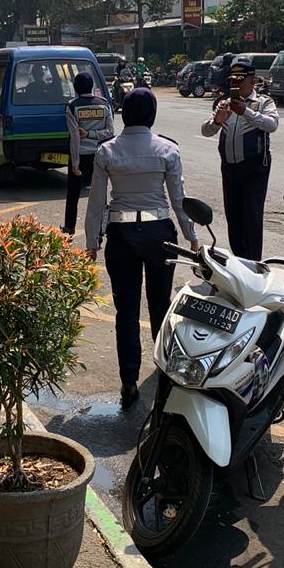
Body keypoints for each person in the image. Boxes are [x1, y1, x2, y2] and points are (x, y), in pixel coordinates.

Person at [85, 88, 200, 409]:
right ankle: (165, 378)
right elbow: (179, 199)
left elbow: (96, 201)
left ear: (124, 114)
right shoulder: (167, 150)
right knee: (161, 305)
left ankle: (128, 381)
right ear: (151, 115)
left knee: (126, 311)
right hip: (159, 235)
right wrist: (191, 234)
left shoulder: (106, 151)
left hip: (121, 236)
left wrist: (92, 240)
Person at [201, 58, 279, 261]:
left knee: (252, 217)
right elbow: (206, 131)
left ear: (252, 81)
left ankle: (252, 263)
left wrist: (246, 111)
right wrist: (218, 120)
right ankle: (239, 259)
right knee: (233, 218)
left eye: (239, 81)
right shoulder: (222, 102)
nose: (234, 85)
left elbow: (272, 125)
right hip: (229, 169)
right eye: (232, 81)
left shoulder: (263, 102)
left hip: (254, 169)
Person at [63, 71, 114, 236]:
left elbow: (75, 138)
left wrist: (76, 163)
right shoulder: (104, 104)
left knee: (73, 194)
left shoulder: (72, 106)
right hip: (100, 155)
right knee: (100, 195)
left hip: (81, 155)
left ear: (76, 87)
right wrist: (94, 135)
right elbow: (110, 133)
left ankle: (69, 227)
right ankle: (102, 229)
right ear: (92, 85)